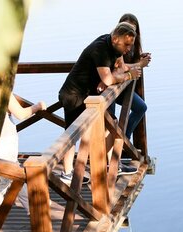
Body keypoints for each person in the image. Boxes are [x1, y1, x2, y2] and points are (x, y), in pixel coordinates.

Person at [58, 22, 142, 185]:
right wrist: (127, 76)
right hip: (73, 94)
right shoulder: (101, 49)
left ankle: (111, 165)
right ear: (116, 38)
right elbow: (110, 77)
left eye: (130, 45)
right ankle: (67, 174)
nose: (128, 49)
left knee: (110, 125)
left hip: (89, 96)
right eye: (126, 45)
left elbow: (121, 68)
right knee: (72, 133)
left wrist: (115, 76)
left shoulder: (115, 47)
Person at [99, 13, 151, 139]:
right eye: (128, 27)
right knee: (111, 119)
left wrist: (138, 58)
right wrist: (139, 64)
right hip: (111, 87)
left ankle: (124, 139)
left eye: (133, 28)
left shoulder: (133, 44)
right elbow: (118, 67)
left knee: (141, 107)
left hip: (124, 86)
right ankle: (117, 144)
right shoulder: (115, 43)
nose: (131, 31)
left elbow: (125, 64)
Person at [0, 94, 46, 212]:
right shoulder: (0, 88)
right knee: (1, 186)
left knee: (17, 175)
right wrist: (37, 106)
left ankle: (36, 210)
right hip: (4, 142)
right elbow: (21, 114)